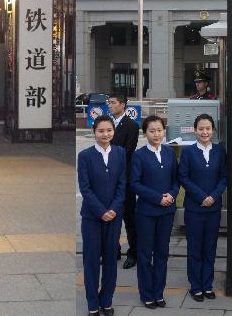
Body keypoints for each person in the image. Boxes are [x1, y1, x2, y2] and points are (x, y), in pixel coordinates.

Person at [78, 115, 126, 316]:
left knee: (110, 260)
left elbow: (123, 184)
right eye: (101, 131)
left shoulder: (120, 153)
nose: (105, 134)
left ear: (113, 132)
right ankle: (92, 302)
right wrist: (101, 211)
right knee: (91, 261)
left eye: (109, 130)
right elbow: (85, 188)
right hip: (92, 217)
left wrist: (113, 209)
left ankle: (106, 299)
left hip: (114, 217)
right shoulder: (85, 155)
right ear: (94, 132)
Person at [131, 115, 179, 309]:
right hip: (146, 213)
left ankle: (158, 292)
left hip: (167, 212)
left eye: (159, 130)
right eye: (152, 131)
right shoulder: (139, 155)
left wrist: (172, 195)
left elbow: (176, 179)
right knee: (144, 254)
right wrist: (158, 198)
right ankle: (146, 294)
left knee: (162, 253)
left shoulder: (169, 153)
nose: (156, 134)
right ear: (145, 133)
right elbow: (135, 184)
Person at [178, 114, 227, 302]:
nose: (205, 132)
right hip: (194, 209)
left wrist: (213, 196)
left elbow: (224, 177)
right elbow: (183, 177)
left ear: (213, 130)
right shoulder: (189, 152)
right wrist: (201, 197)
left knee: (210, 248)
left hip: (213, 209)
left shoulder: (219, 151)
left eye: (208, 128)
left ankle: (207, 284)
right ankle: (195, 286)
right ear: (195, 130)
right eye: (201, 128)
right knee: (194, 248)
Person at [107, 93, 140, 269]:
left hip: (125, 178)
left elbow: (128, 151)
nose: (110, 106)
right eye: (109, 103)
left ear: (123, 105)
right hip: (107, 178)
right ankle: (114, 250)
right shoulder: (107, 124)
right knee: (111, 215)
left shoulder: (132, 126)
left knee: (129, 216)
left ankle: (133, 253)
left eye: (113, 103)